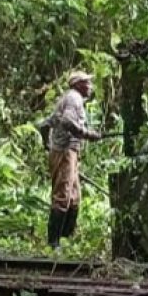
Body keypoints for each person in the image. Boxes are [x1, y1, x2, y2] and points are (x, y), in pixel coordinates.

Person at [41, 71, 101, 249]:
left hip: (67, 151)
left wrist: (47, 144)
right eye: (87, 83)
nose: (90, 86)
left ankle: (67, 237)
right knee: (63, 195)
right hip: (66, 151)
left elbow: (45, 125)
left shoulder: (67, 99)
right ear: (78, 85)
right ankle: (54, 242)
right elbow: (67, 121)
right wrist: (86, 134)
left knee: (74, 197)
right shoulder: (74, 98)